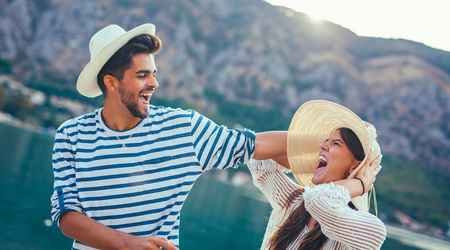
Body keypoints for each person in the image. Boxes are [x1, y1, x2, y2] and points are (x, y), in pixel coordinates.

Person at [50, 23, 287, 250]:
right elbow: (67, 216)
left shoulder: (183, 128)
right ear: (111, 82)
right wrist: (127, 244)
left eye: (153, 73)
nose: (154, 83)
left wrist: (321, 137)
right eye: (142, 75)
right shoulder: (71, 135)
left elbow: (253, 143)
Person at [248, 100, 386, 250]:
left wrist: (360, 183)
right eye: (325, 141)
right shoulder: (296, 203)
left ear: (355, 166)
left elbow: (318, 200)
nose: (322, 145)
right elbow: (256, 158)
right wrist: (315, 148)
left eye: (336, 143)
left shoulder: (369, 231)